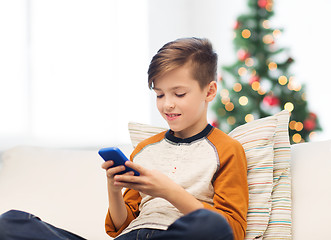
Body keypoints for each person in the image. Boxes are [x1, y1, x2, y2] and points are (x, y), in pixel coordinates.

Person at [101, 37, 248, 240]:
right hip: (131, 235)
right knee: (39, 226)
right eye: (160, 95)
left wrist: (169, 191)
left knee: (215, 225)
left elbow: (232, 231)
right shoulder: (144, 149)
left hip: (177, 235)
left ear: (210, 91)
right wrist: (114, 188)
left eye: (179, 94)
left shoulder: (226, 149)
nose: (167, 104)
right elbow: (122, 226)